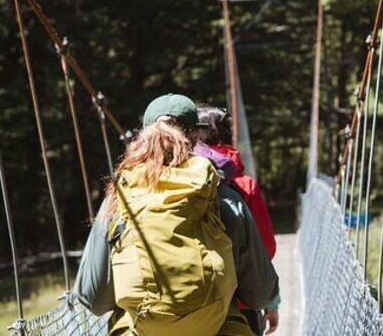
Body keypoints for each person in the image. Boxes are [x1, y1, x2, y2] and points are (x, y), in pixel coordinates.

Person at [74, 94, 278, 336]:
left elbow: (94, 299)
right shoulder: (222, 196)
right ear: (195, 137)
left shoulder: (118, 199)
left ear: (143, 137)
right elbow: (261, 293)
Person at [194, 106, 279, 335]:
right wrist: (271, 300)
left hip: (190, 303)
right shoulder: (243, 185)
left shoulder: (168, 179)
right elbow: (265, 248)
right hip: (241, 303)